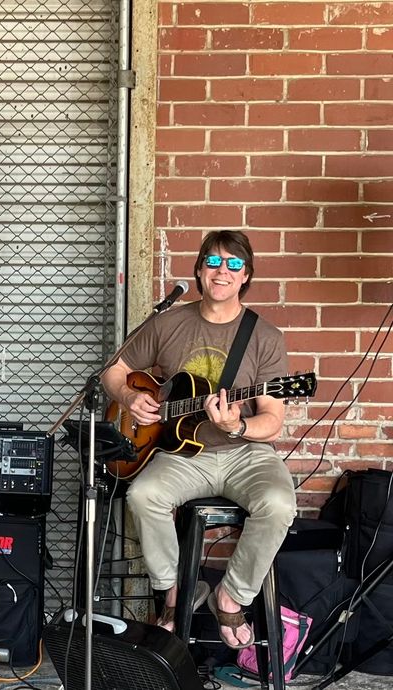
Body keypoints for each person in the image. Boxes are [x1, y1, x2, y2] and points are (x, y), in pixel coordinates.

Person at [101, 230, 295, 649]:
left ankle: (231, 595)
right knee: (143, 495)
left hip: (247, 454)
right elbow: (113, 371)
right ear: (198, 269)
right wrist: (130, 396)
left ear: (246, 276)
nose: (221, 271)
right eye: (212, 262)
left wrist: (236, 427)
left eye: (233, 264)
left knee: (278, 504)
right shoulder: (169, 323)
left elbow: (272, 421)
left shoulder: (265, 337)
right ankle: (174, 593)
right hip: (183, 454)